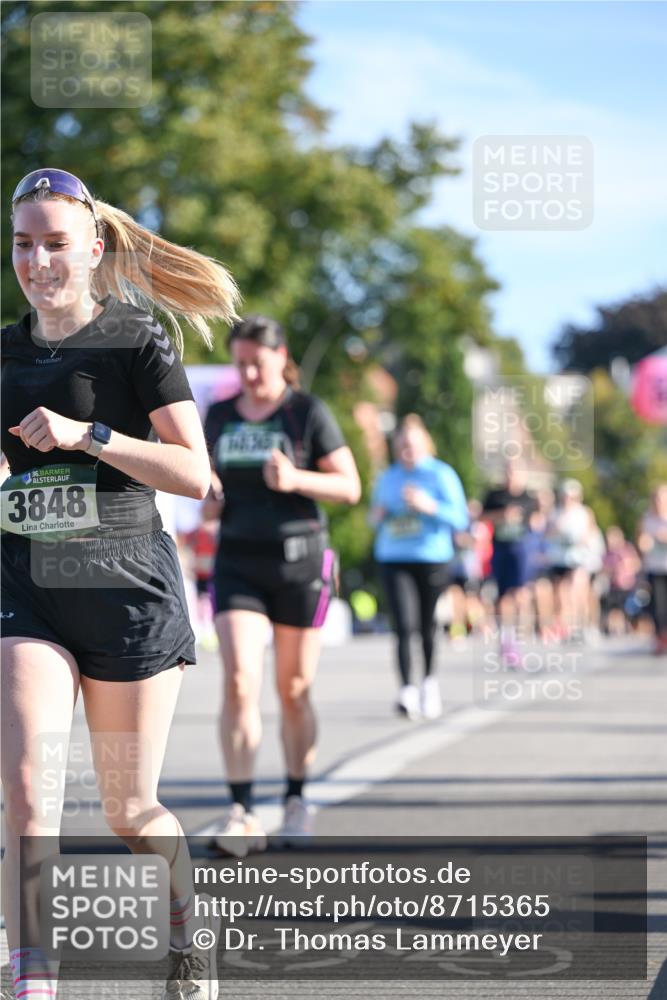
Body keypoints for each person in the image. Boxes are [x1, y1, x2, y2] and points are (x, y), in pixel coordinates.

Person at [1, 167, 239, 1000]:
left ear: (93, 250)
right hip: (28, 590)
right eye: (23, 244)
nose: (36, 262)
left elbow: (193, 473)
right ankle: (35, 980)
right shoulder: (2, 349)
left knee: (130, 814)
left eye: (54, 244)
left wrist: (88, 434)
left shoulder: (136, 341)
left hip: (126, 593)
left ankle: (185, 926)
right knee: (30, 795)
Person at [203, 315, 360, 851]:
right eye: (240, 362)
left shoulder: (306, 412)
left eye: (258, 361)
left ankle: (296, 797)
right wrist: (209, 498)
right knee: (240, 680)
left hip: (299, 562)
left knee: (293, 690)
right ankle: (241, 810)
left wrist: (296, 479)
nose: (248, 372)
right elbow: (204, 485)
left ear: (281, 355)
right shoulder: (220, 415)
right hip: (238, 562)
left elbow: (350, 485)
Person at [371, 414, 468, 719]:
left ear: (425, 444)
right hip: (394, 557)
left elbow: (461, 519)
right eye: (401, 446)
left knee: (426, 626)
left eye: (411, 445)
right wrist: (379, 515)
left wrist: (429, 506)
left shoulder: (441, 475)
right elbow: (372, 518)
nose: (406, 451)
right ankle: (406, 690)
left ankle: (428, 683)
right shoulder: (389, 477)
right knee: (403, 625)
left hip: (430, 557)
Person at [482, 462, 538, 666]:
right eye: (508, 471)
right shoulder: (494, 496)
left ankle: (518, 638)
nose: (511, 476)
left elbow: (536, 524)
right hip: (500, 549)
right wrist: (501, 516)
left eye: (515, 472)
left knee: (521, 595)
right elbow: (481, 517)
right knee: (503, 595)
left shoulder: (528, 498)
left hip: (521, 550)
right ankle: (506, 638)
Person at [637, 484, 667, 654]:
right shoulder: (647, 518)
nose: (659, 503)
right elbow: (641, 540)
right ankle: (660, 637)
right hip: (655, 568)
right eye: (656, 499)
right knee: (657, 604)